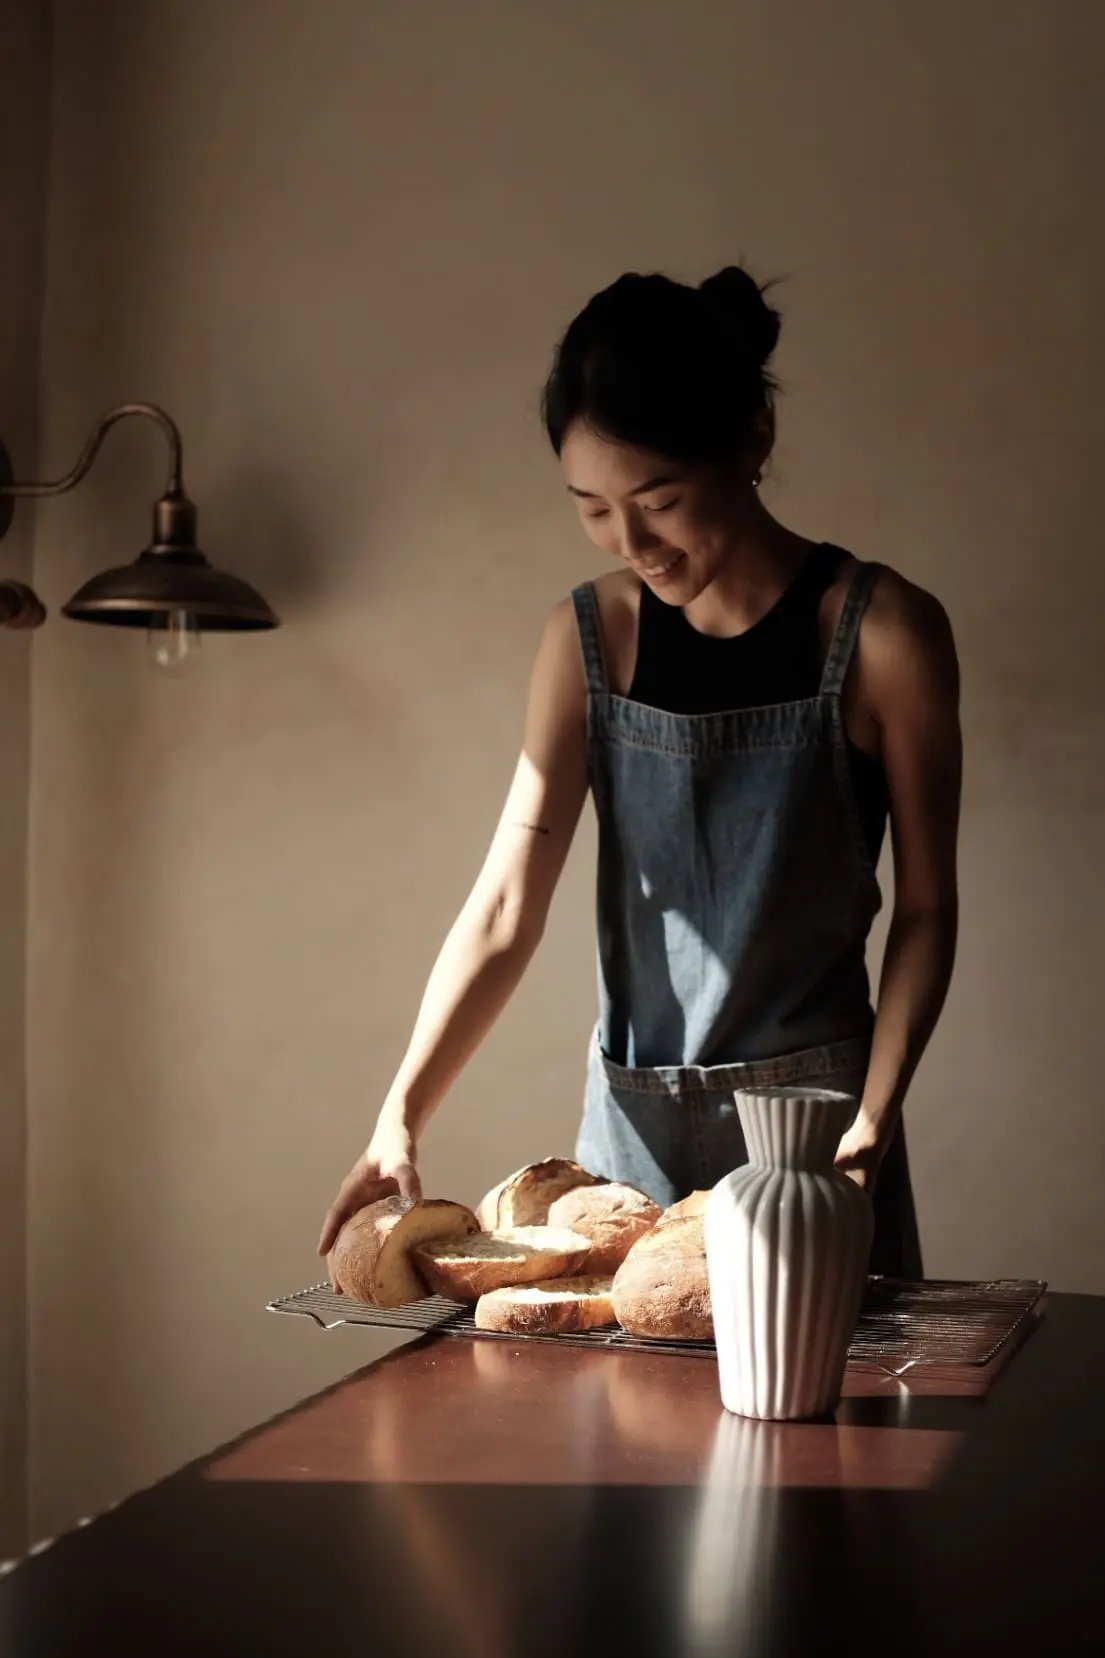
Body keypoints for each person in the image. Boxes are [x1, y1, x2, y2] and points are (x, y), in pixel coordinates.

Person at [318, 266, 961, 1280]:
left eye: (659, 500)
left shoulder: (883, 634)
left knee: (830, 1386)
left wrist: (870, 1125)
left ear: (752, 439)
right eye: (592, 508)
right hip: (626, 1140)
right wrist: (398, 1114)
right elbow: (505, 904)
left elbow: (925, 907)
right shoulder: (589, 638)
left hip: (817, 1140)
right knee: (616, 1385)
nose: (633, 543)